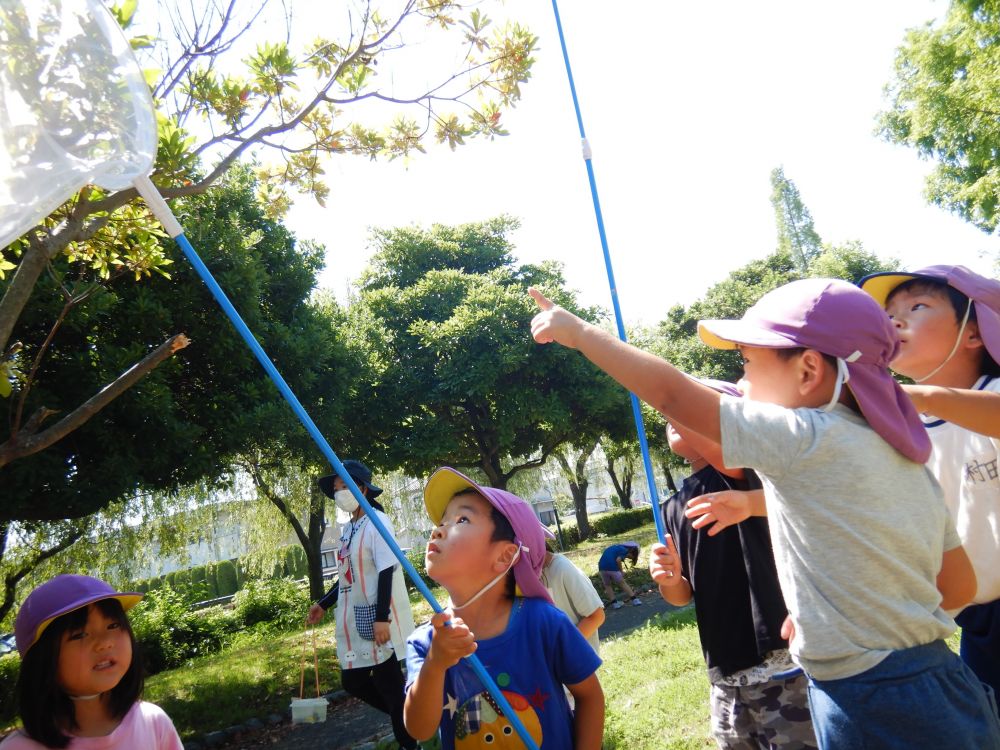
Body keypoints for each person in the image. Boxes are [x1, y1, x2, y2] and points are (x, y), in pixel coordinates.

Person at [529, 279, 1000, 749]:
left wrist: (581, 333)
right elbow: (957, 585)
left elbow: (673, 395)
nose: (740, 383)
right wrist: (834, 616)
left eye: (749, 362)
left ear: (809, 370)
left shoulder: (803, 436)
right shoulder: (906, 456)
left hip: (868, 695)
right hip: (942, 681)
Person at [861, 265, 1000, 712]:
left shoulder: (991, 392)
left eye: (916, 307)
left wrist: (923, 397)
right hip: (977, 621)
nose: (894, 321)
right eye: (888, 314)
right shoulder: (902, 431)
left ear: (975, 333)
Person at [652, 379, 816, 749]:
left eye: (697, 407)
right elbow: (681, 596)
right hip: (725, 675)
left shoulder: (742, 471)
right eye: (672, 413)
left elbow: (722, 443)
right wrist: (669, 578)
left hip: (782, 665)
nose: (674, 416)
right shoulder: (671, 506)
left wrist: (669, 396)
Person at [403, 467, 604, 749]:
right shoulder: (426, 642)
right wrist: (435, 665)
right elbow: (419, 729)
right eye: (442, 520)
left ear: (506, 555)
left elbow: (590, 696)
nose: (437, 529)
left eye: (461, 518)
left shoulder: (543, 623)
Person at [306, 460, 417, 750]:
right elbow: (347, 576)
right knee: (354, 682)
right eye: (336, 489)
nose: (338, 493)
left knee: (390, 689)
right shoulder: (349, 528)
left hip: (377, 620)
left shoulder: (377, 522)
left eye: (343, 486)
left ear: (362, 489)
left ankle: (410, 737)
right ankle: (411, 720)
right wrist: (324, 603)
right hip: (355, 619)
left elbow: (385, 569)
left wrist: (382, 618)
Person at [1, 574, 182, 749]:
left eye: (113, 625)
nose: (104, 643)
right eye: (79, 635)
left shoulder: (153, 722)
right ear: (41, 661)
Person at [541, 546, 605, 654]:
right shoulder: (528, 576)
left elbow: (596, 616)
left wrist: (563, 650)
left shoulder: (562, 568)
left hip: (578, 662)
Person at [596, 541, 642, 609]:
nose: (628, 558)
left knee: (607, 585)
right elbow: (618, 560)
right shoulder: (624, 550)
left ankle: (615, 603)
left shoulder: (616, 547)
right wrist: (621, 571)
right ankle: (635, 599)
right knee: (622, 583)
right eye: (630, 557)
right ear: (631, 550)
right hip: (613, 567)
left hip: (602, 567)